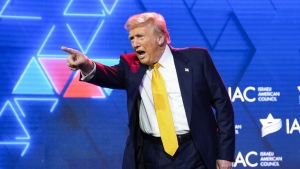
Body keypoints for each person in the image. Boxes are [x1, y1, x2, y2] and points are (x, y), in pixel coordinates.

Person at [61, 12, 235, 169]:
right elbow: (106, 74)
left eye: (140, 37)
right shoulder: (130, 65)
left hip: (195, 150)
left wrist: (225, 154)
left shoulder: (197, 59)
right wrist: (86, 64)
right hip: (152, 154)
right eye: (132, 38)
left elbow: (223, 107)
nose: (135, 44)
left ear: (160, 38)